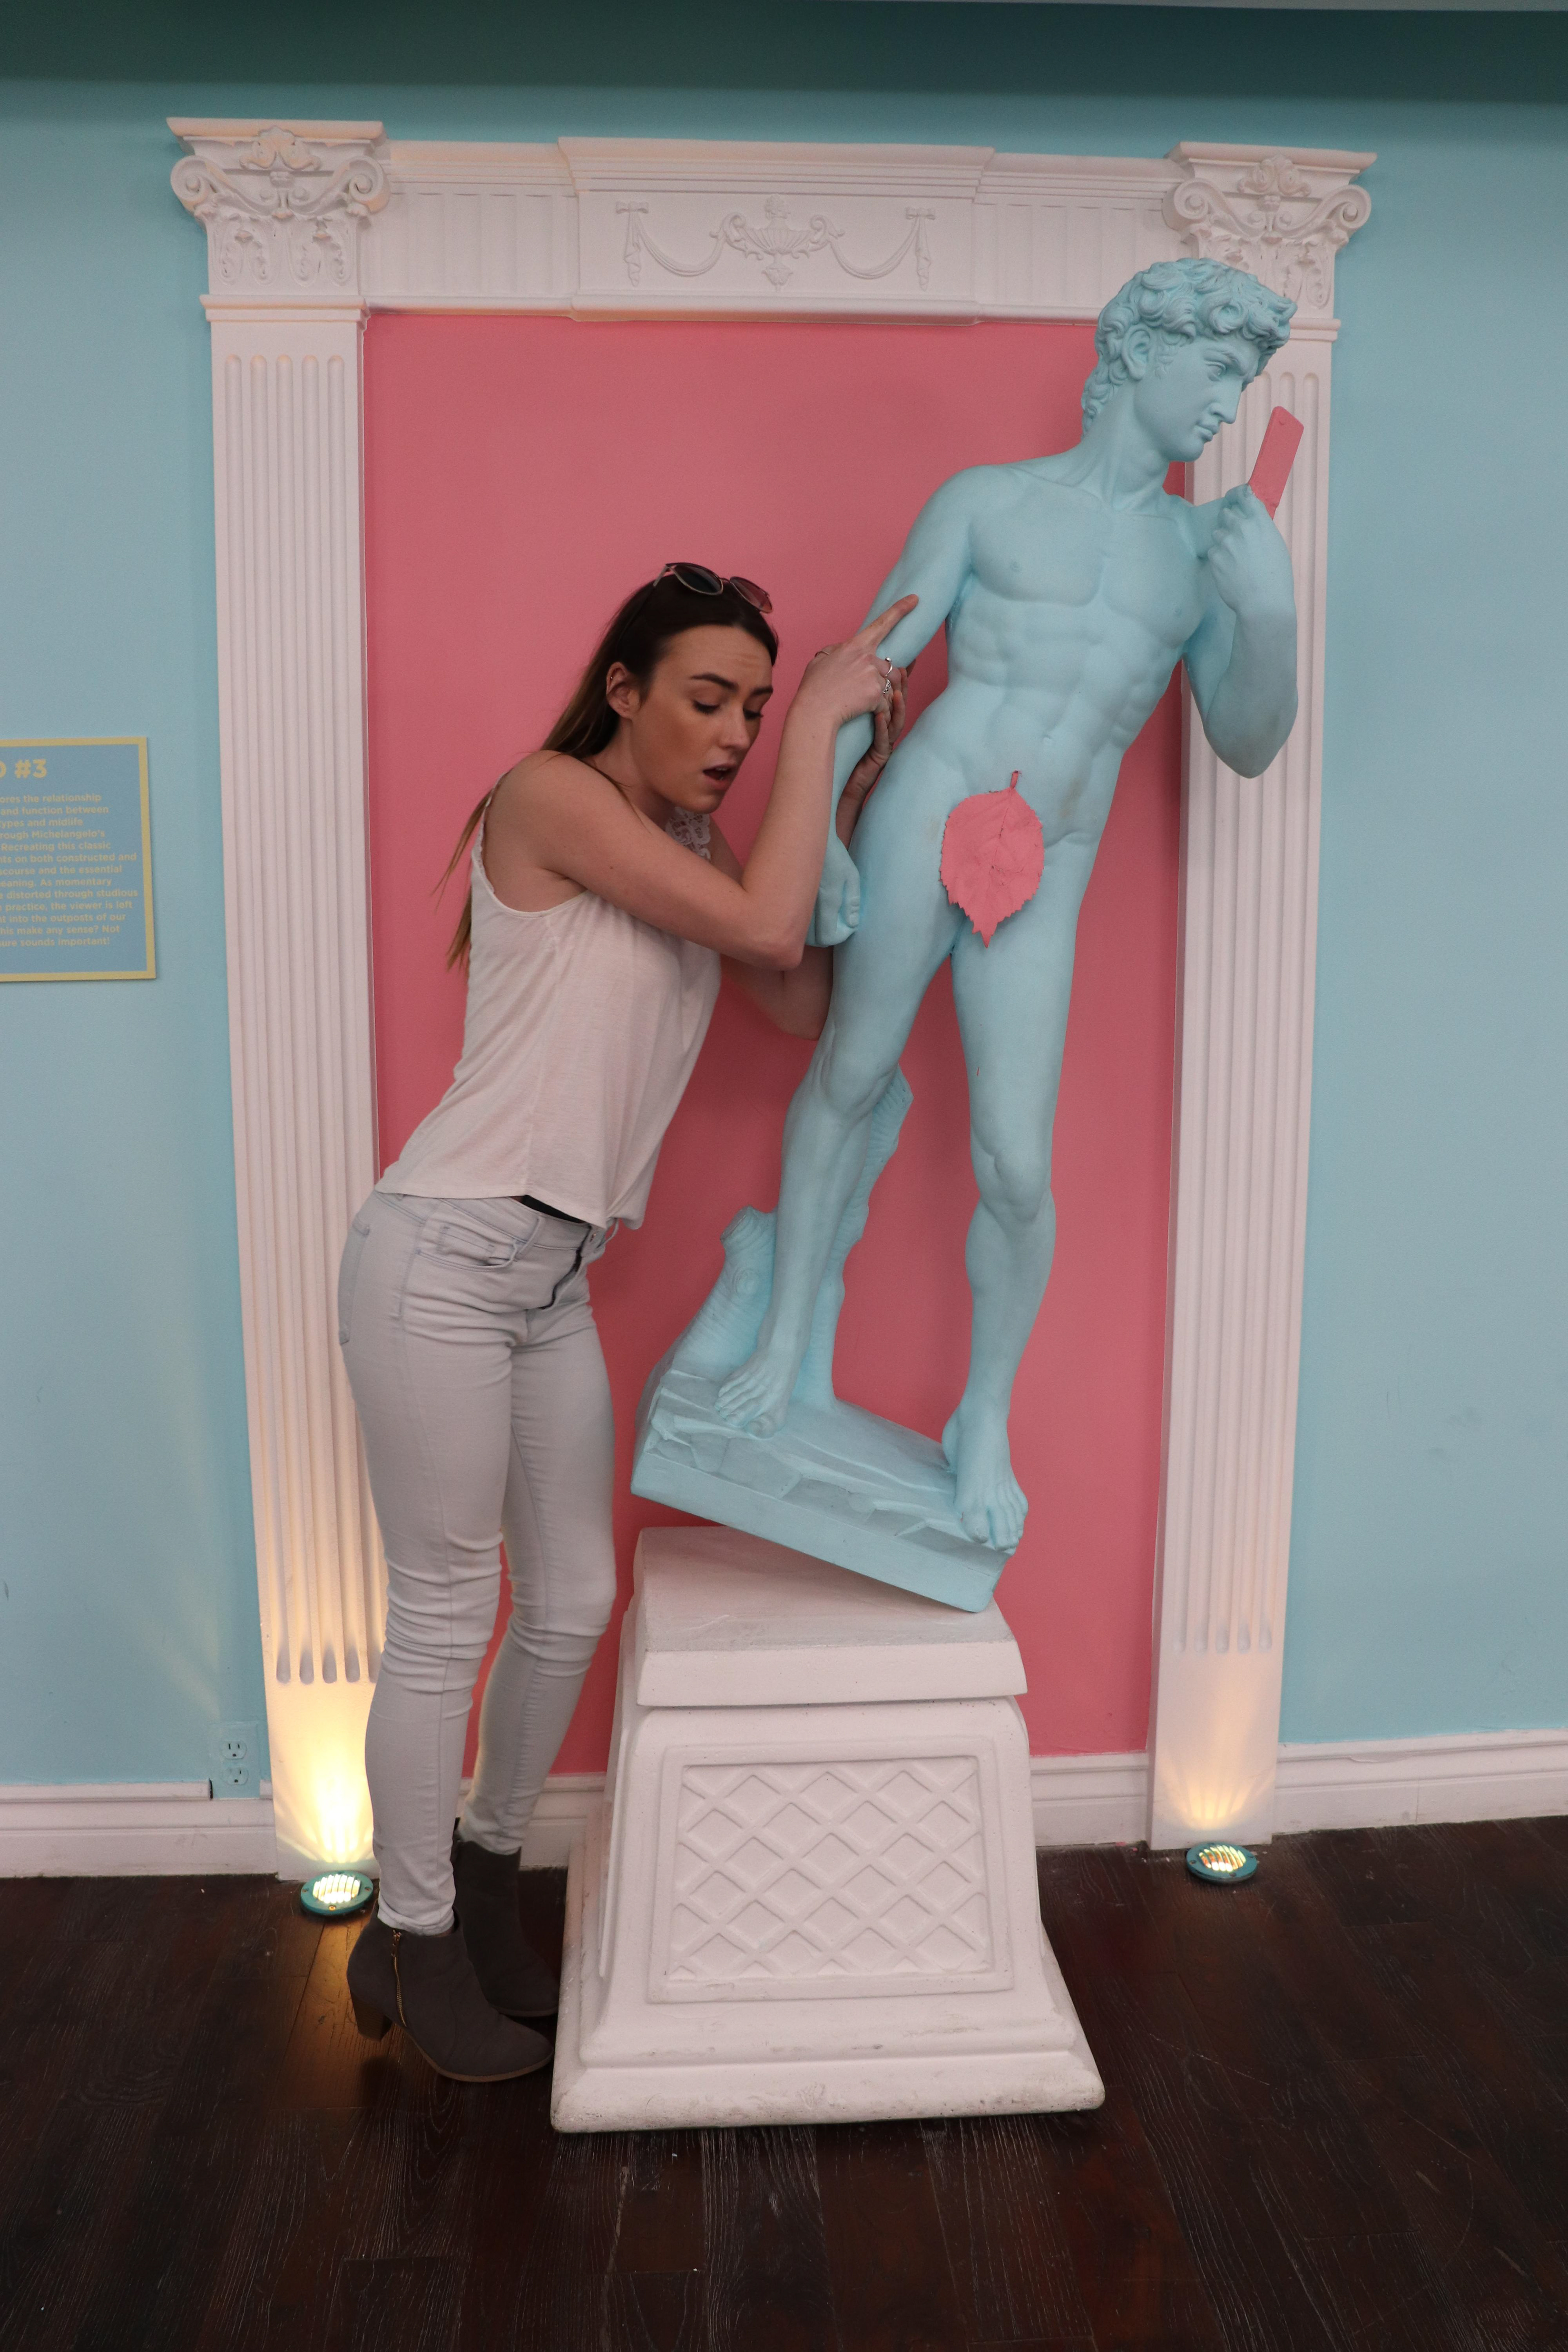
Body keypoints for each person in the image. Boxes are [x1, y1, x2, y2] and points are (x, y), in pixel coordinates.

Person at [337, 563, 914, 2081]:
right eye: (710, 700)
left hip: (551, 1283)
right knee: (447, 1613)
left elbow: (795, 996)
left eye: (758, 711)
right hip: (444, 1258)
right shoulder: (550, 800)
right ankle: (410, 1934)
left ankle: (477, 1887)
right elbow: (770, 936)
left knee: (574, 1603)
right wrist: (820, 733)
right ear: (624, 690)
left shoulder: (694, 853)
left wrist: (846, 802)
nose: (735, 735)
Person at [711, 258, 1299, 1555]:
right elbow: (869, 668)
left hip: (1053, 855)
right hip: (936, 801)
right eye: (1217, 371)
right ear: (1140, 352)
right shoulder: (984, 501)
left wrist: (1271, 619)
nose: (1228, 405)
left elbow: (1251, 743)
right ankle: (786, 1340)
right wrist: (831, 837)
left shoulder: (1208, 553)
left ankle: (984, 1414)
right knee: (850, 1071)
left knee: (1017, 1164)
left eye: (1245, 383)